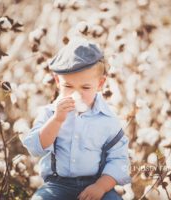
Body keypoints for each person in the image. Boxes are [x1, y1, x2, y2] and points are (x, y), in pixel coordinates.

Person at [22, 38, 131, 200]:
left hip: (97, 183)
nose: (76, 94)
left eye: (86, 87)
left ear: (100, 84)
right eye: (68, 86)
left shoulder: (108, 119)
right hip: (57, 185)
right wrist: (57, 120)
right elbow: (36, 148)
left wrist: (101, 186)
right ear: (58, 81)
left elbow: (119, 159)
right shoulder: (50, 113)